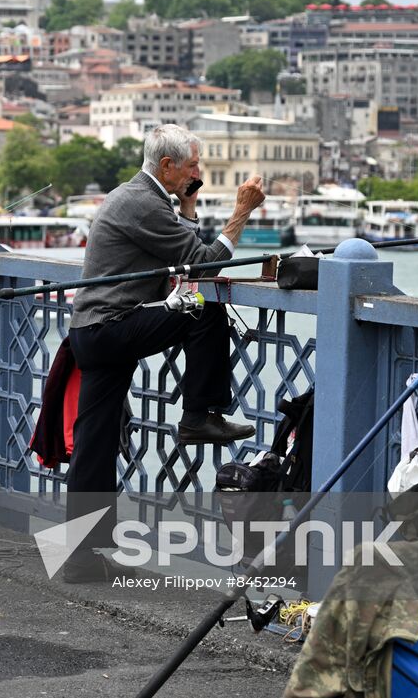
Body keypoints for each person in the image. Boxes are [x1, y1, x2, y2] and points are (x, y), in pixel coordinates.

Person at [63, 123, 265, 581]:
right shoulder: (142, 204)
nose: (199, 171)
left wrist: (189, 205)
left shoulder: (145, 198)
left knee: (93, 448)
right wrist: (241, 213)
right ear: (168, 165)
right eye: (193, 165)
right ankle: (198, 415)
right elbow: (206, 262)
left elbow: (185, 252)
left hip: (92, 332)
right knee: (203, 306)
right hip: (110, 328)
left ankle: (80, 557)